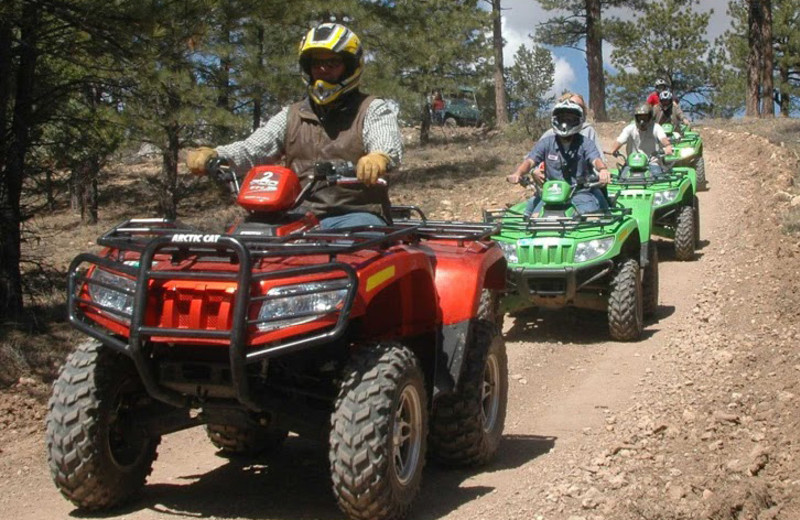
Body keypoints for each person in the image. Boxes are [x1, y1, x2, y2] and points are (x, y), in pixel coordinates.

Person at [186, 23, 403, 229]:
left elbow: (386, 144)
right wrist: (217, 154)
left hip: (353, 213)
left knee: (355, 251)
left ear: (350, 67)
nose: (322, 70)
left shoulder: (371, 109)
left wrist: (379, 158)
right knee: (249, 239)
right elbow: (254, 149)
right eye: (316, 64)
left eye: (332, 63)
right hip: (298, 212)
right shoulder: (292, 114)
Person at [507, 100, 612, 217]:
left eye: (570, 119)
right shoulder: (546, 143)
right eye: (562, 119)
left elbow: (595, 159)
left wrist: (602, 170)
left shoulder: (585, 143)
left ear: (578, 121)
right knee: (534, 218)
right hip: (551, 195)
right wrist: (518, 173)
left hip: (580, 193)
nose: (565, 124)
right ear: (556, 120)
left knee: (590, 218)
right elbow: (530, 161)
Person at [608, 103, 674, 178]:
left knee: (659, 179)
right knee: (622, 179)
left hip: (652, 163)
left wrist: (668, 146)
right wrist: (613, 150)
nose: (642, 121)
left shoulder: (656, 127)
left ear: (650, 117)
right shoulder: (630, 128)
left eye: (645, 117)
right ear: (636, 118)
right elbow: (619, 141)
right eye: (640, 118)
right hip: (631, 164)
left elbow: (663, 139)